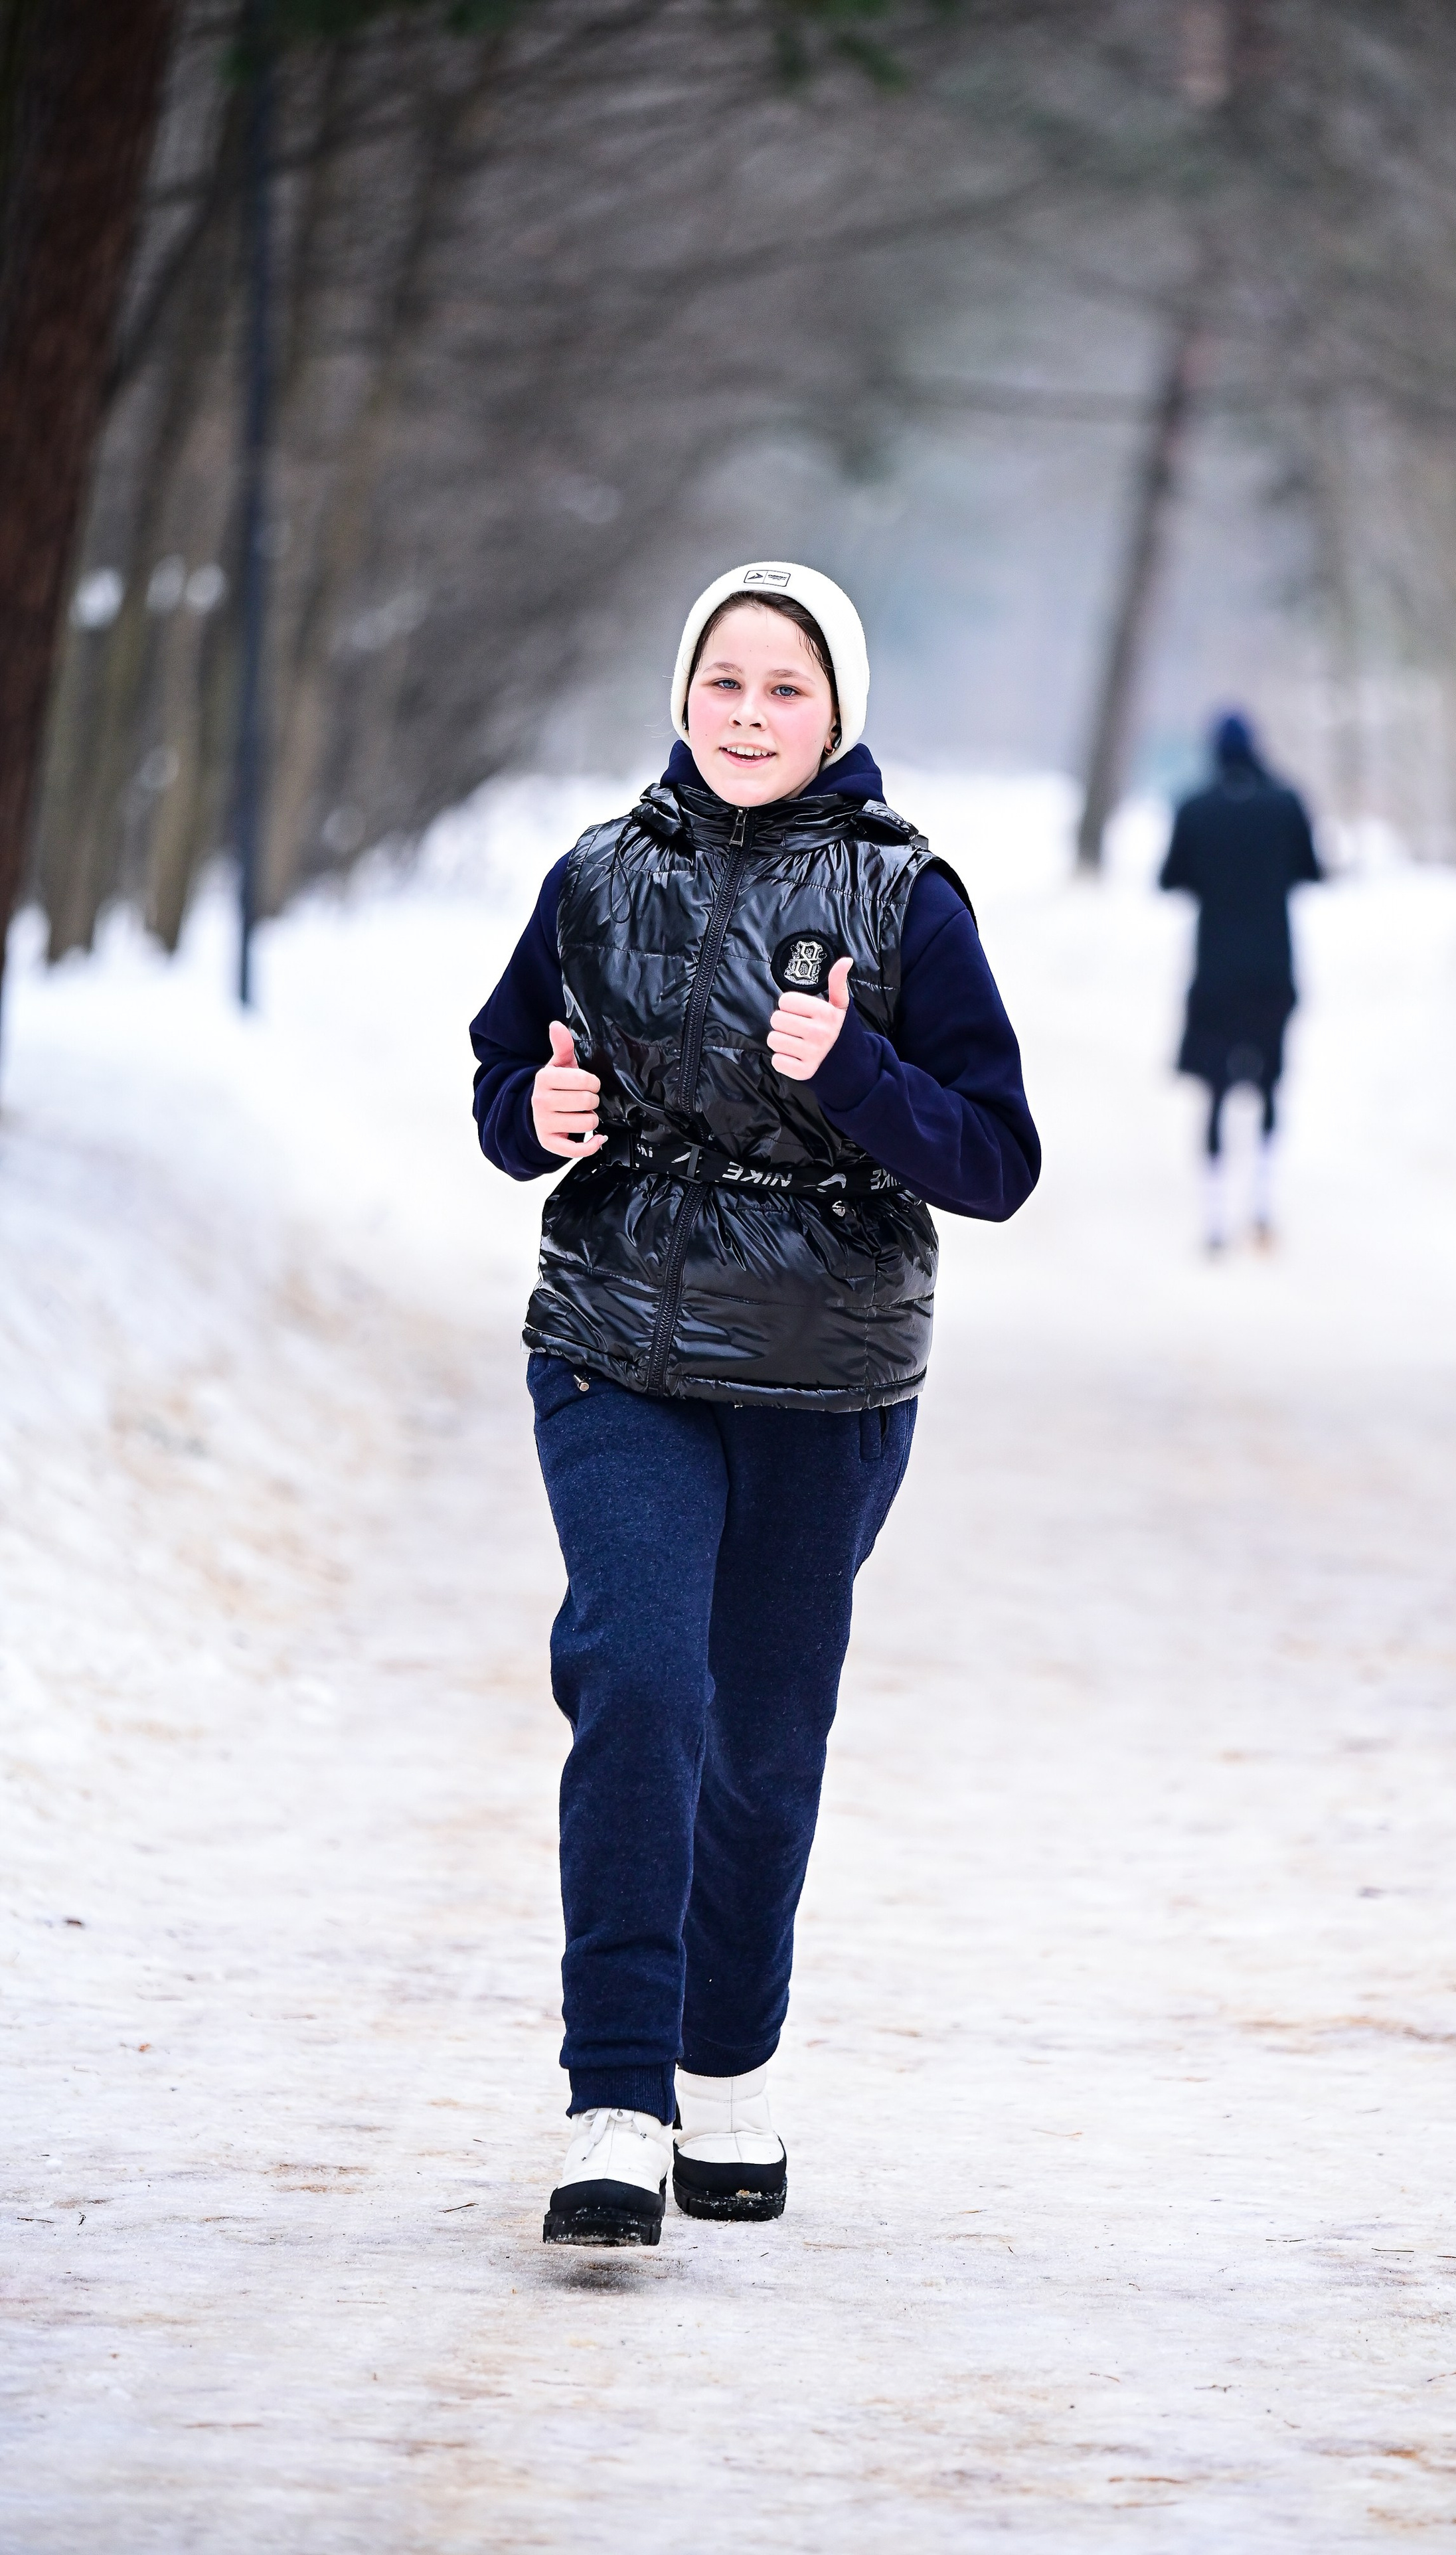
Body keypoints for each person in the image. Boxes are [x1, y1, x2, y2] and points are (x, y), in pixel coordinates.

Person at [469, 562, 1040, 2247]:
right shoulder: (591, 874)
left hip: (825, 1371)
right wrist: (538, 1105)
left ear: (836, 714)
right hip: (615, 1337)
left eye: (782, 688)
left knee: (763, 1736)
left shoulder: (905, 898)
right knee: (639, 1673)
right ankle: (617, 2097)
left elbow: (996, 1160)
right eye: (721, 679)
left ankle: (725, 2070)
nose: (743, 711)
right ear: (682, 691)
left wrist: (851, 1067)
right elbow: (507, 1080)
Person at [1159, 710, 1322, 1252]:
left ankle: (1213, 1220)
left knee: (1215, 1091)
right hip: (1274, 970)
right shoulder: (1286, 804)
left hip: (1215, 974)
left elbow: (1170, 879)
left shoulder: (1196, 808)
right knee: (1271, 1083)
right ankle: (1263, 1206)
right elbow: (1313, 870)